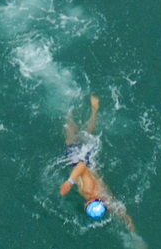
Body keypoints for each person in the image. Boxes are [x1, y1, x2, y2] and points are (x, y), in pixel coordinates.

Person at [59, 95, 136, 233]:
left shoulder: (106, 200)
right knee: (71, 138)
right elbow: (81, 166)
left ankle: (94, 110)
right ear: (89, 203)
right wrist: (69, 183)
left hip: (90, 162)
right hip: (80, 161)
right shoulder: (88, 190)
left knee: (87, 136)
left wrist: (129, 223)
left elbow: (120, 212)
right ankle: (68, 109)